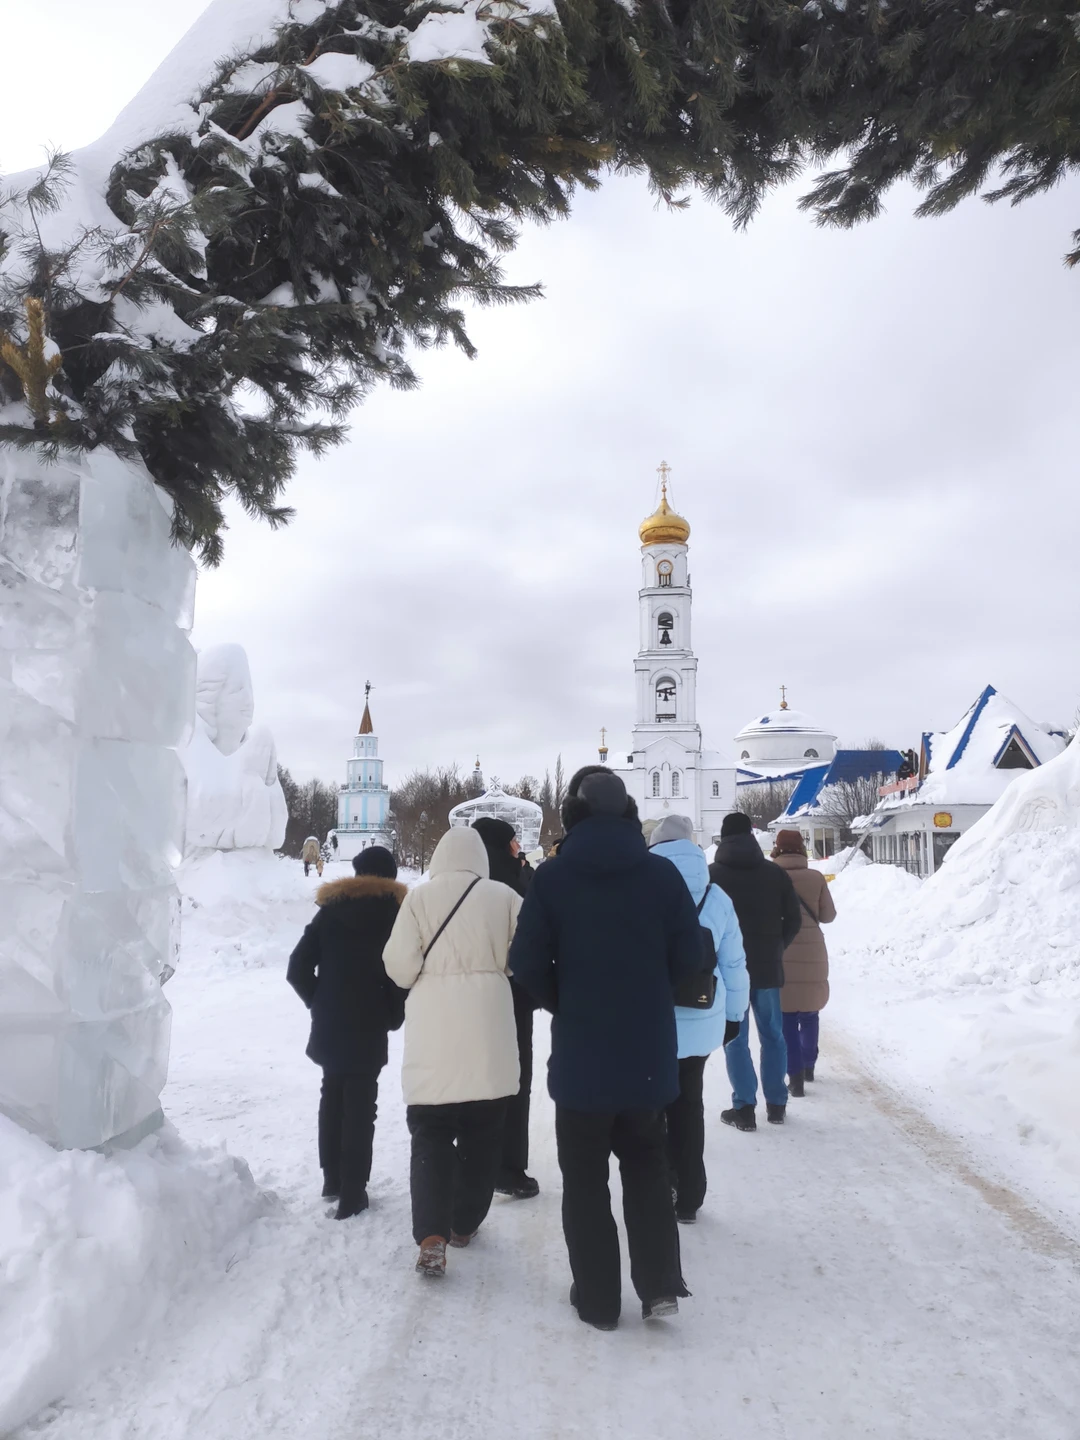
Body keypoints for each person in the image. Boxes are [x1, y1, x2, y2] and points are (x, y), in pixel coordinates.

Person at [509, 767, 702, 1331]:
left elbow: (525, 963)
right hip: (647, 1057)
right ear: (628, 815)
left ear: (573, 816)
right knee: (647, 1166)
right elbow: (691, 957)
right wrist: (650, 993)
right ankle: (659, 1285)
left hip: (582, 1060)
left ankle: (597, 1301)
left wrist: (564, 1001)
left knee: (585, 1181)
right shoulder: (662, 876)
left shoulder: (553, 878)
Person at [383, 826, 521, 1278]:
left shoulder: (418, 899)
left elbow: (399, 967)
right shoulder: (504, 897)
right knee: (484, 1133)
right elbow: (521, 958)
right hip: (488, 1028)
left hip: (434, 1031)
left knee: (431, 1133)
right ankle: (463, 1225)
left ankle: (431, 1237)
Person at [286, 847, 408, 1220]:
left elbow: (297, 967)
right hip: (370, 1020)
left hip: (332, 1021)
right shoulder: (397, 914)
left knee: (332, 1095)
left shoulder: (330, 911)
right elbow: (402, 971)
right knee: (361, 1105)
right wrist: (393, 1012)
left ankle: (333, 1180)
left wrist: (320, 1000)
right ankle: (354, 1192)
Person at [647, 815, 749, 1223]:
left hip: (652, 1020)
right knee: (689, 1104)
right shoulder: (716, 895)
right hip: (703, 1013)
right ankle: (689, 1196)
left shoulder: (640, 888)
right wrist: (735, 1016)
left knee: (652, 1109)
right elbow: (735, 963)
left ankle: (659, 1186)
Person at [709, 812, 801, 1130]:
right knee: (773, 1035)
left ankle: (744, 1108)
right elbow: (794, 919)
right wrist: (776, 947)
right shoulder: (774, 873)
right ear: (750, 834)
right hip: (767, 969)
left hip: (729, 970)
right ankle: (776, 1104)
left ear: (723, 838)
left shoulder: (712, 875)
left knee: (735, 1038)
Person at [471, 816, 540, 1201]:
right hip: (512, 996)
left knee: (475, 1080)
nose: (518, 845)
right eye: (513, 840)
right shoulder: (514, 882)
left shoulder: (467, 880)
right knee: (515, 1080)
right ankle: (509, 1167)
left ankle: (472, 1159)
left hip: (469, 998)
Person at [771, 829, 837, 1095]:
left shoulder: (770, 876)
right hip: (812, 951)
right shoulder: (815, 877)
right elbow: (828, 916)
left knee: (786, 1015)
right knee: (810, 1013)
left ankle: (795, 1075)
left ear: (777, 848)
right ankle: (809, 1065)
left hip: (781, 948)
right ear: (801, 848)